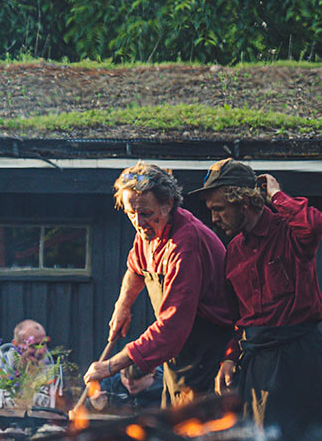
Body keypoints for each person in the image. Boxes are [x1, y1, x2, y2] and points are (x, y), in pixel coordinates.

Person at [194, 158, 322, 441]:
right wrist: (230, 357)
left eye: (219, 209)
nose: (214, 219)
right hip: (258, 362)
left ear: (243, 201)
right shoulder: (234, 250)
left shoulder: (289, 232)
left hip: (298, 358)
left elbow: (314, 224)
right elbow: (237, 317)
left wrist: (275, 195)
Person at [86, 163, 236, 408]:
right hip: (179, 356)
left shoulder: (185, 244)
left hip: (207, 351)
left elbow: (173, 326)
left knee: (195, 435)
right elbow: (136, 267)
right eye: (130, 212)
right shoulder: (149, 231)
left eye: (145, 213)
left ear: (168, 204)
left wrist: (111, 366)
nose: (138, 221)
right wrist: (122, 305)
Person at [91, 366, 165, 412]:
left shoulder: (166, 390)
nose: (128, 382)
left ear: (152, 372)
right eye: (124, 376)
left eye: (135, 377)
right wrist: (93, 404)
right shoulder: (110, 385)